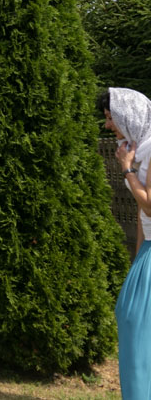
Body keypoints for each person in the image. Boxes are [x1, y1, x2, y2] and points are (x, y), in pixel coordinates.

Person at [99, 87, 151, 399]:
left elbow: (150, 206)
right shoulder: (140, 149)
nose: (108, 125)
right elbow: (141, 216)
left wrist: (127, 169)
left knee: (136, 325)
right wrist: (138, 260)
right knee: (130, 318)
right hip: (148, 252)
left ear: (128, 115)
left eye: (111, 117)